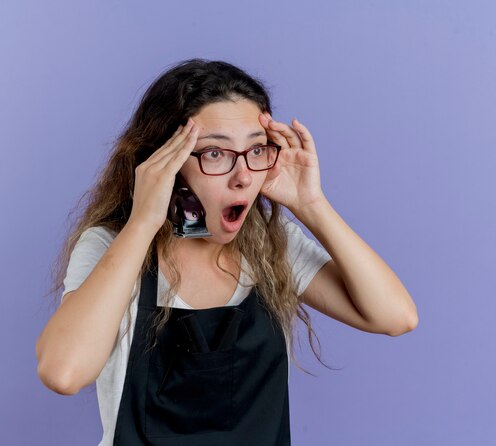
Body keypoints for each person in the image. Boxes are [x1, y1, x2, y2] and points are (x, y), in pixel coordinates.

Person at [36, 58, 418, 445]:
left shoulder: (270, 244)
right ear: (164, 163)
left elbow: (395, 317)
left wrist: (312, 204)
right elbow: (63, 373)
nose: (243, 177)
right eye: (215, 154)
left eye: (256, 150)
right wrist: (141, 224)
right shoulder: (111, 246)